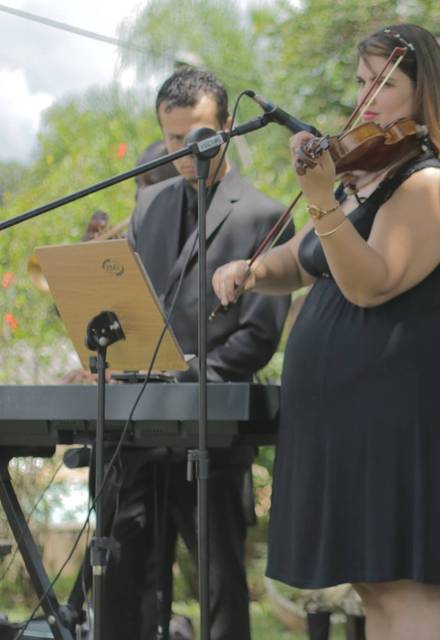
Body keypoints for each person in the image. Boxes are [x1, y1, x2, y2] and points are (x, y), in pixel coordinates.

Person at [212, 23, 440, 640]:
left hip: (401, 399)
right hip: (346, 406)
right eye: (362, 82)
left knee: (403, 581)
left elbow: (369, 282)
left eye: (383, 82)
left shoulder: (429, 183)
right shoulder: (364, 178)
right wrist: (251, 270)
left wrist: (320, 200)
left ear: (423, 92)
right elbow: (303, 262)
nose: (367, 97)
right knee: (371, 581)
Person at [97, 67, 292, 640]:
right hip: (136, 427)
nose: (184, 152)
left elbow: (256, 339)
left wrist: (179, 380)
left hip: (212, 428)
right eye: (172, 139)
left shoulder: (265, 215)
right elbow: (131, 307)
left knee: (219, 581)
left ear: (228, 127)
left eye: (198, 136)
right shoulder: (149, 204)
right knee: (122, 570)